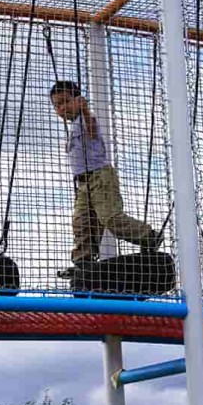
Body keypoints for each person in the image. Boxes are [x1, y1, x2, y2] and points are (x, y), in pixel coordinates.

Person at [48, 81, 160, 279]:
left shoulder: (85, 119)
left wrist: (85, 110)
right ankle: (84, 260)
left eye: (66, 101)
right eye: (57, 105)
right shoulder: (74, 126)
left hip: (100, 177)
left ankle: (148, 236)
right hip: (83, 183)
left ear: (78, 101)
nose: (61, 108)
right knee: (81, 222)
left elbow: (92, 130)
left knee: (110, 218)